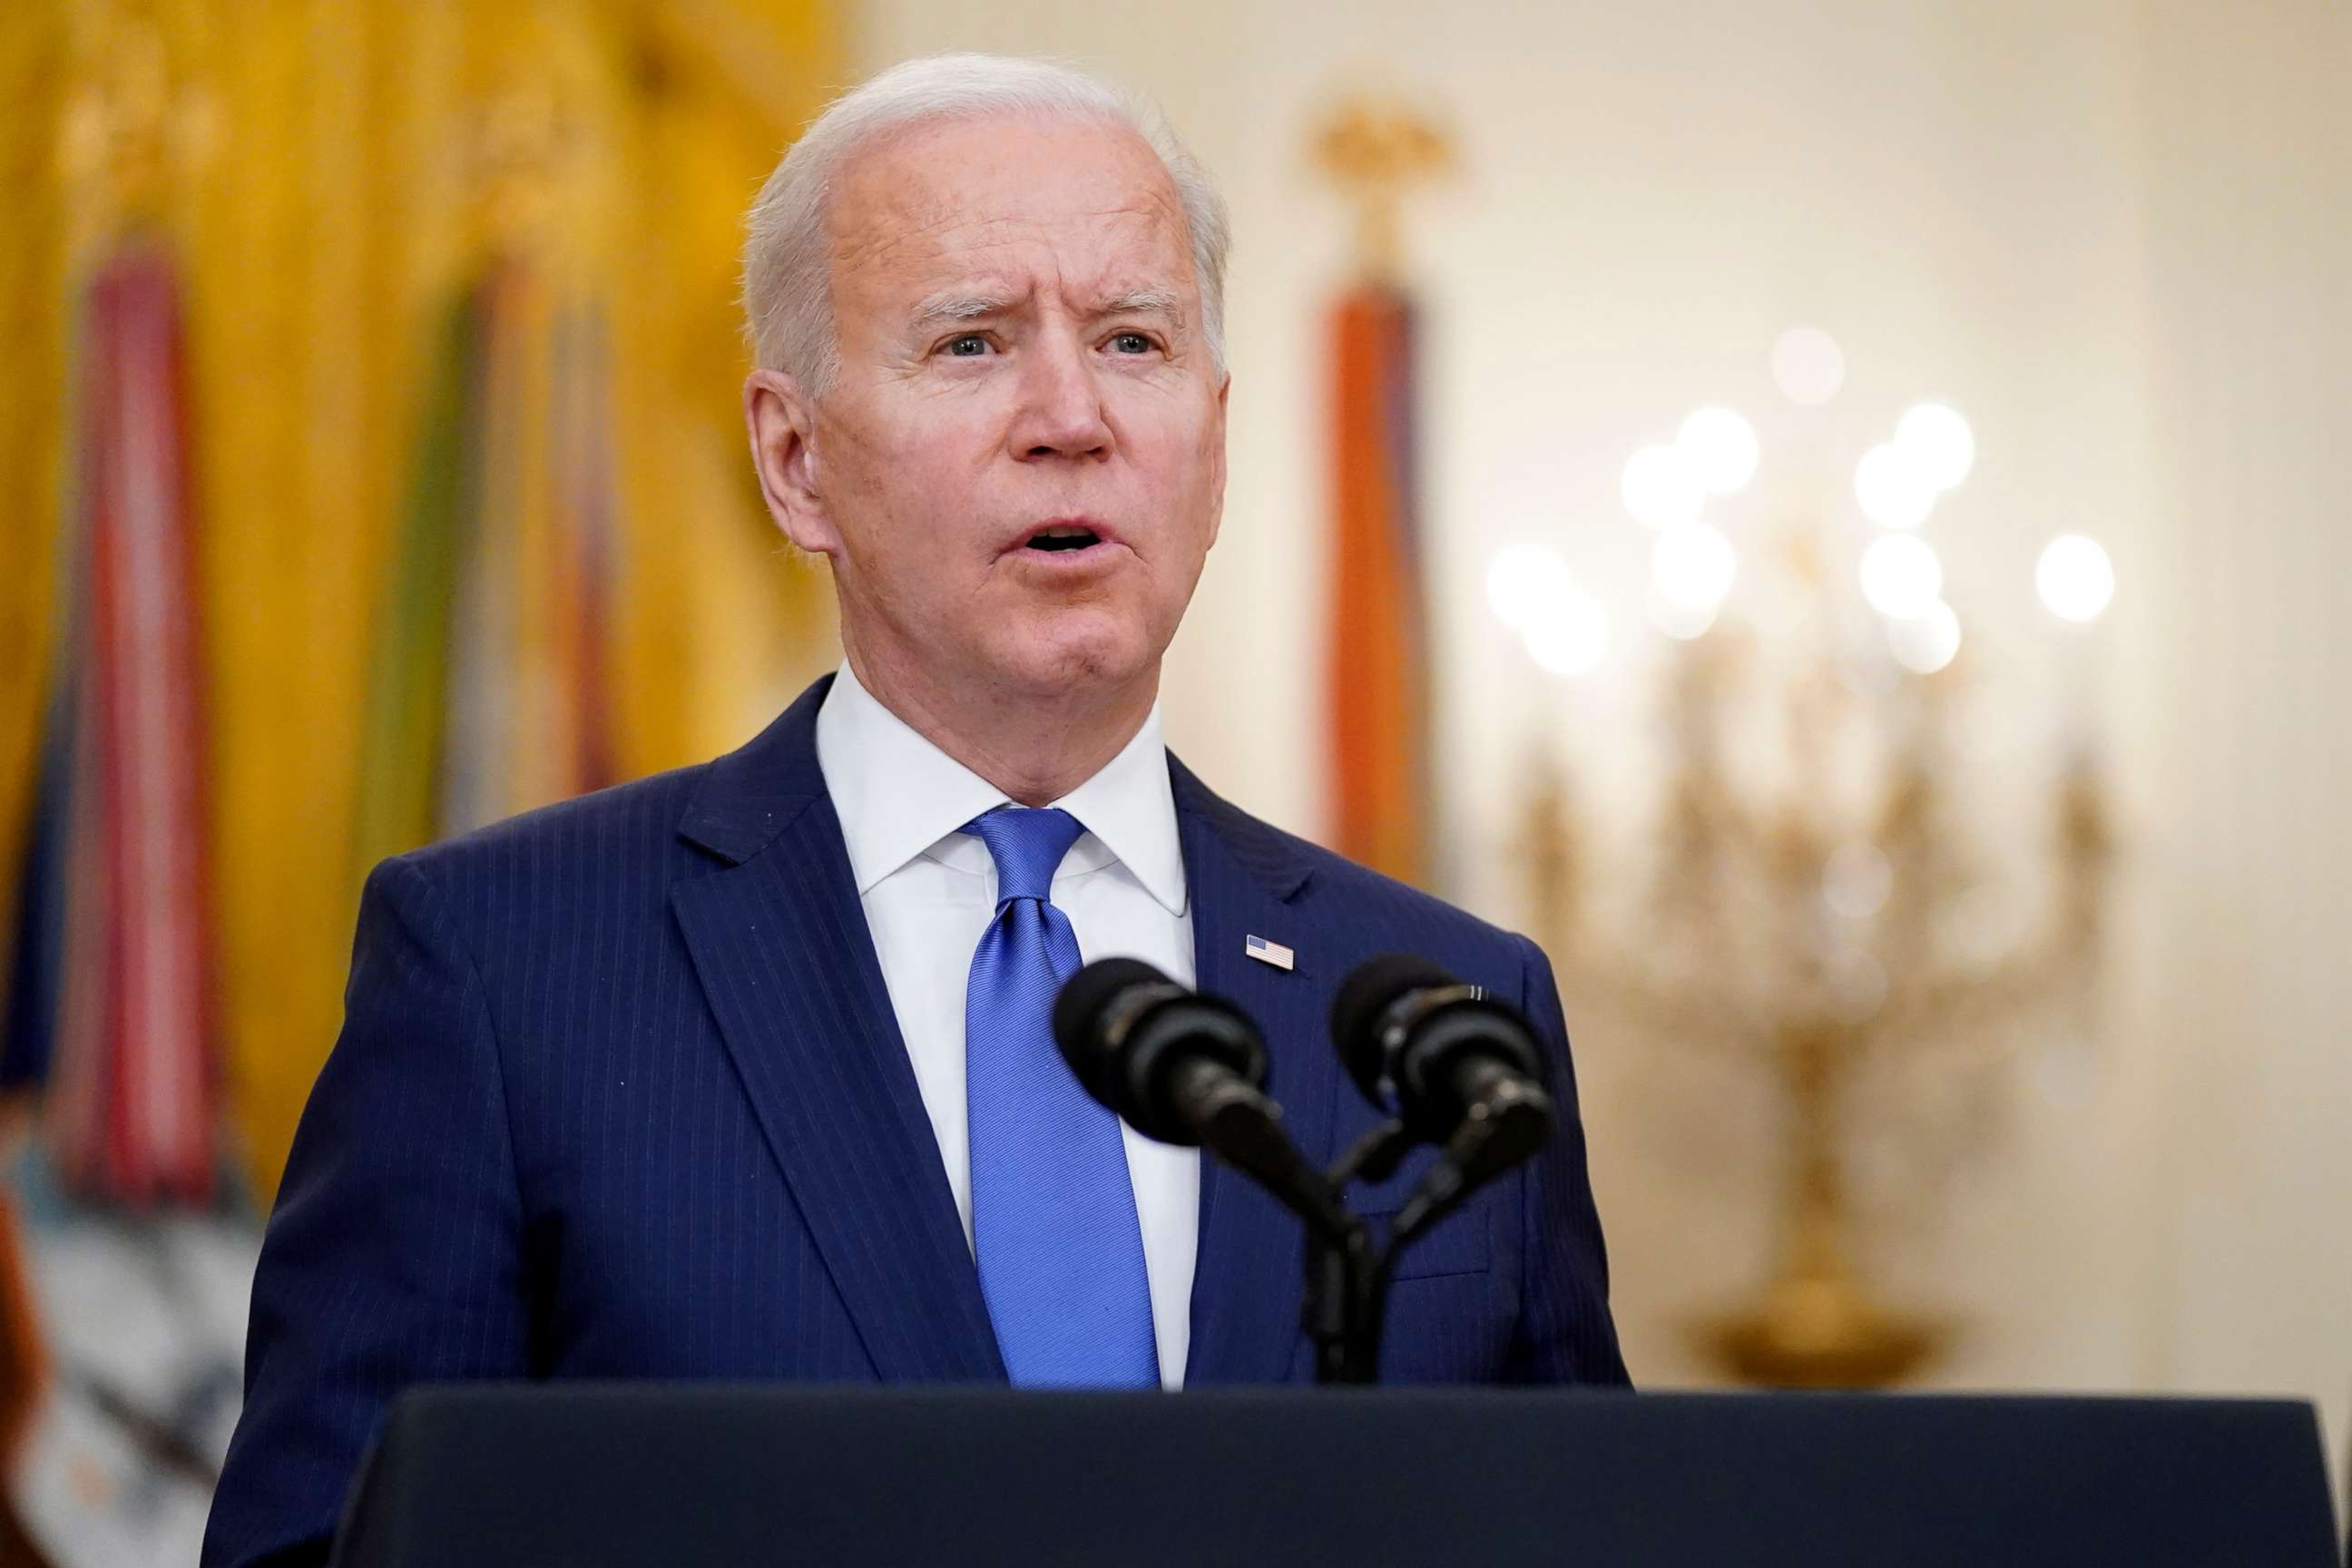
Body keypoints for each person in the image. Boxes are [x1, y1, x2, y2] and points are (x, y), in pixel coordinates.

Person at [201, 52, 1626, 1568]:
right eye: (972, 344)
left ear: (1213, 439)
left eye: (1133, 341)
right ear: (795, 457)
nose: (1071, 415)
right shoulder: (506, 973)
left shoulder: (1449, 1019)